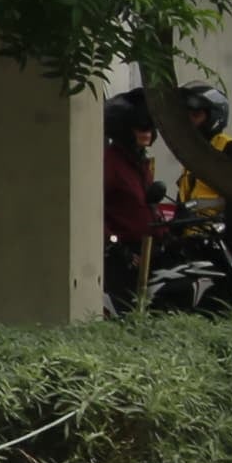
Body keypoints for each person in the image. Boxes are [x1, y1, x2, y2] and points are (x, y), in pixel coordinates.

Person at [101, 95, 159, 313]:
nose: (146, 132)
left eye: (150, 127)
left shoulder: (139, 162)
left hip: (147, 250)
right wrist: (117, 247)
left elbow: (146, 206)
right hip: (123, 258)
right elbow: (93, 210)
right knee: (127, 313)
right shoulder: (111, 163)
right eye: (139, 127)